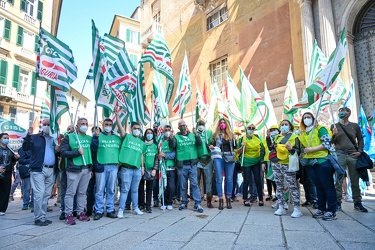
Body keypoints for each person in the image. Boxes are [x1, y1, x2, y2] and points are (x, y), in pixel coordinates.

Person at [300, 112, 337, 221]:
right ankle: (321, 208)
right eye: (304, 118)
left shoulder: (320, 129)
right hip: (310, 163)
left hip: (323, 161)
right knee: (318, 186)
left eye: (308, 117)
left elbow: (327, 143)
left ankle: (331, 210)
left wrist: (312, 149)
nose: (306, 119)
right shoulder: (303, 133)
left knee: (328, 186)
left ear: (313, 119)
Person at [331, 107, 367, 212]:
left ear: (349, 113)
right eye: (340, 111)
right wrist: (333, 134)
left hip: (353, 155)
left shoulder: (354, 126)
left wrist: (360, 151)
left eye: (344, 111)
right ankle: (338, 202)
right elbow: (331, 142)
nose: (341, 113)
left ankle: (357, 202)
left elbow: (360, 139)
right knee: (339, 179)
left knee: (355, 179)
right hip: (340, 154)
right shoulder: (334, 126)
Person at [22, 119, 57, 226]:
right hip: (38, 169)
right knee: (39, 193)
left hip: (51, 170)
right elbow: (25, 147)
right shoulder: (35, 137)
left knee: (46, 194)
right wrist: (28, 135)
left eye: (48, 125)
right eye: (44, 124)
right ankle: (38, 218)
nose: (46, 126)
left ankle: (42, 216)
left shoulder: (56, 139)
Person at [61, 118, 92, 225]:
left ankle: (80, 212)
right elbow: (63, 152)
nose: (85, 125)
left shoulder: (89, 138)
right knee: (70, 193)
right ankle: (68, 214)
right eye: (82, 124)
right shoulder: (69, 137)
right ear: (77, 126)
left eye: (86, 124)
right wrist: (77, 152)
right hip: (74, 169)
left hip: (86, 168)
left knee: (82, 193)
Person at [116, 109, 146, 218]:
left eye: (138, 129)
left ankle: (136, 208)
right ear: (131, 129)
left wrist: (142, 167)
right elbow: (120, 127)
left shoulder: (142, 143)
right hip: (126, 169)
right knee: (124, 190)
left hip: (137, 169)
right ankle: (121, 209)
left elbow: (141, 154)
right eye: (135, 128)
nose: (137, 130)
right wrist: (117, 115)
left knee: (135, 190)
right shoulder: (127, 137)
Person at [169, 119, 204, 213]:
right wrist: (171, 138)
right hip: (182, 165)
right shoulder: (176, 137)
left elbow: (199, 144)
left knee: (194, 184)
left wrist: (196, 134)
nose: (183, 127)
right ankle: (184, 202)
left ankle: (197, 203)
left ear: (186, 126)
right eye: (180, 126)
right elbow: (172, 146)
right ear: (178, 128)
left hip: (192, 164)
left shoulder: (193, 134)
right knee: (183, 185)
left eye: (184, 125)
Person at [91, 119, 121, 220]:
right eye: (106, 124)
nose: (108, 126)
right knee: (99, 189)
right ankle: (98, 210)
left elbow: (121, 150)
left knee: (111, 189)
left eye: (110, 124)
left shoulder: (117, 138)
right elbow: (93, 149)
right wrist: (95, 137)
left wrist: (119, 162)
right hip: (101, 165)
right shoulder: (98, 136)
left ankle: (110, 209)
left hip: (113, 166)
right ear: (103, 125)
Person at [271, 120, 302, 218]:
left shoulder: (294, 137)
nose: (284, 126)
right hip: (276, 164)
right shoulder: (276, 137)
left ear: (290, 127)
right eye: (282, 125)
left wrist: (291, 149)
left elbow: (298, 151)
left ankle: (296, 208)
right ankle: (281, 206)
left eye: (286, 124)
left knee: (292, 186)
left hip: (288, 164)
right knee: (279, 185)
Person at [209, 118, 235, 210]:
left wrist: (235, 139)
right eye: (221, 123)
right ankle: (220, 199)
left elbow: (235, 147)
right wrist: (211, 146)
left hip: (229, 157)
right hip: (219, 157)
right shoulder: (215, 135)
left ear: (227, 124)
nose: (223, 124)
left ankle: (228, 198)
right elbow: (211, 145)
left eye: (224, 123)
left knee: (229, 179)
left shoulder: (231, 135)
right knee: (219, 178)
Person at [237, 124, 265, 207]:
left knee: (258, 180)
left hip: (256, 161)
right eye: (249, 128)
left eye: (253, 128)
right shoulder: (242, 139)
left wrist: (262, 161)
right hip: (246, 162)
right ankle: (245, 199)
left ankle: (260, 199)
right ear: (246, 129)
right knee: (247, 180)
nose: (251, 129)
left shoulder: (257, 138)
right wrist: (242, 146)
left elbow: (262, 148)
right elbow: (238, 152)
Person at [139, 128, 158, 213]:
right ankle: (141, 204)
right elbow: (140, 156)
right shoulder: (142, 144)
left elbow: (156, 158)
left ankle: (148, 206)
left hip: (151, 170)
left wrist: (155, 169)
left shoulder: (155, 145)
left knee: (150, 188)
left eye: (150, 133)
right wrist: (141, 167)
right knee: (141, 188)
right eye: (147, 133)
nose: (149, 134)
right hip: (143, 169)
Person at [196, 119, 214, 208]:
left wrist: (212, 145)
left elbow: (213, 143)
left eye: (202, 124)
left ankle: (209, 200)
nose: (201, 125)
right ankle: (197, 200)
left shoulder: (209, 133)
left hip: (208, 159)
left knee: (209, 181)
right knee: (196, 181)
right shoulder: (194, 134)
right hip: (198, 160)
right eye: (199, 124)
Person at [0, 133, 19, 215]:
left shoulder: (10, 149)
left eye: (8, 138)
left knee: (6, 190)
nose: (6, 139)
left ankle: (2, 209)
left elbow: (12, 161)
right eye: (4, 138)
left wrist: (15, 158)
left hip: (7, 172)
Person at [158, 124, 176, 210]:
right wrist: (159, 155)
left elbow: (175, 153)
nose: (167, 131)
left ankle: (169, 202)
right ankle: (163, 202)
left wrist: (165, 155)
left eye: (169, 130)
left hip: (170, 167)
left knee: (171, 186)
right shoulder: (159, 140)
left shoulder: (173, 140)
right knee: (162, 185)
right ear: (163, 131)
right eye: (166, 130)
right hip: (162, 167)